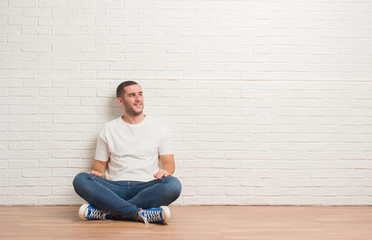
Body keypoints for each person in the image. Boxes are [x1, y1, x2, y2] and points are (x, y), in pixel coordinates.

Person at [73, 81, 182, 224]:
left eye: (140, 94)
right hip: (114, 188)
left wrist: (165, 172)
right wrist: (96, 173)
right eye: (132, 95)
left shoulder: (160, 128)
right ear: (120, 100)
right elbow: (99, 166)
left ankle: (110, 212)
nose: (138, 99)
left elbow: (169, 164)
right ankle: (139, 214)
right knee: (81, 179)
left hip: (146, 186)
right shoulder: (108, 129)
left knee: (173, 185)